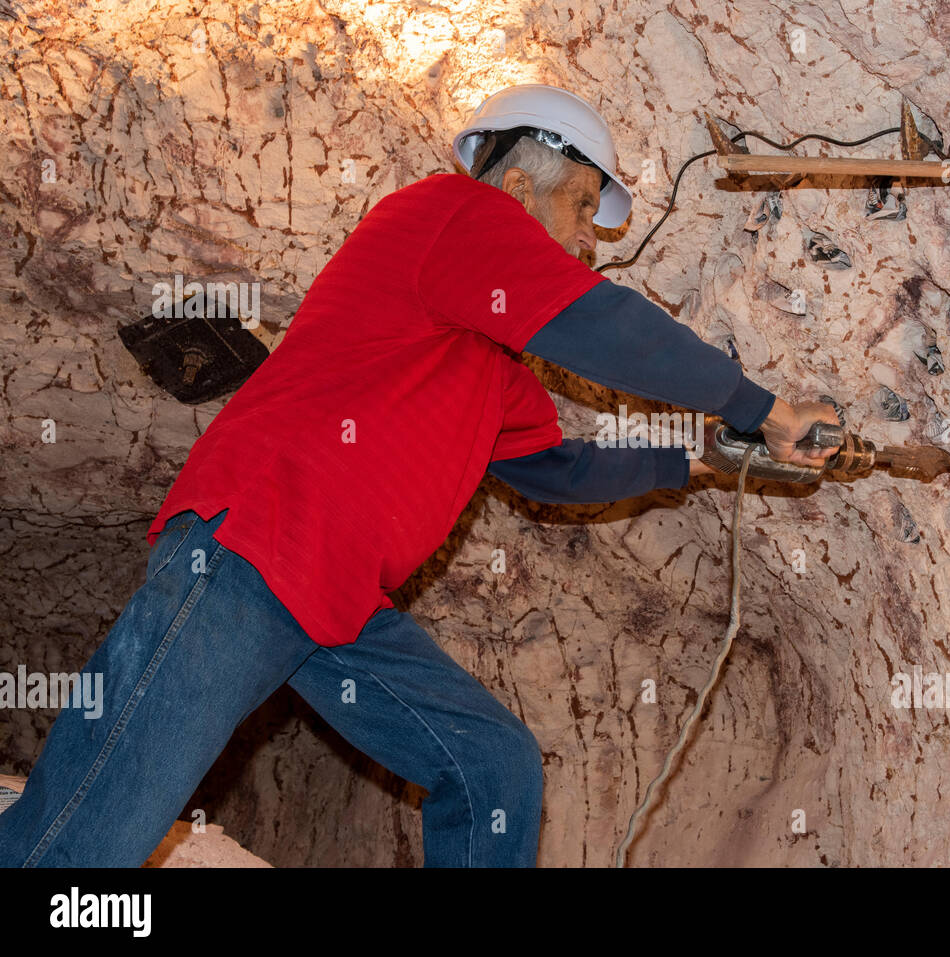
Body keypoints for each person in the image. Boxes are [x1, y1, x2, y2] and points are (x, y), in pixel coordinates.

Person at [0, 83, 840, 867]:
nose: (591, 240)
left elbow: (555, 469)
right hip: (253, 547)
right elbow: (602, 324)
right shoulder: (450, 213)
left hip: (334, 606)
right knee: (84, 841)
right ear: (516, 185)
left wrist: (695, 461)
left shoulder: (491, 364)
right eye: (584, 205)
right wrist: (758, 407)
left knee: (491, 769)